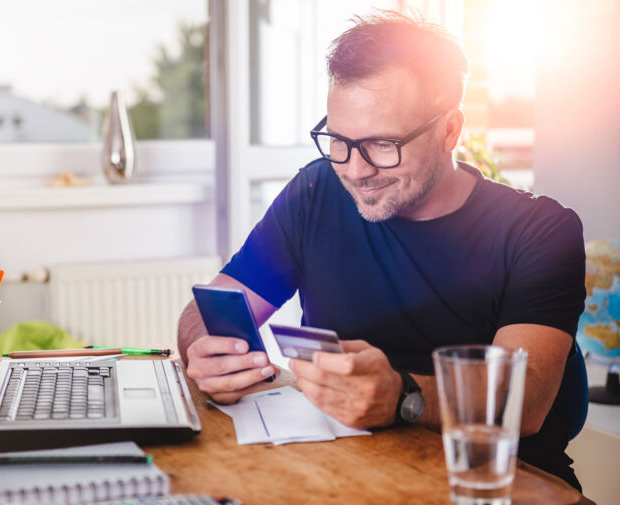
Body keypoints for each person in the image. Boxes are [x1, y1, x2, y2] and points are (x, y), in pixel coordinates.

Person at [176, 11, 586, 490]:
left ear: (449, 131)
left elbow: (526, 400)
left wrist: (402, 396)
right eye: (340, 141)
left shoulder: (540, 229)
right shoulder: (316, 191)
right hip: (348, 469)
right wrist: (203, 349)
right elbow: (211, 308)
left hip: (498, 482)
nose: (355, 170)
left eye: (382, 144)